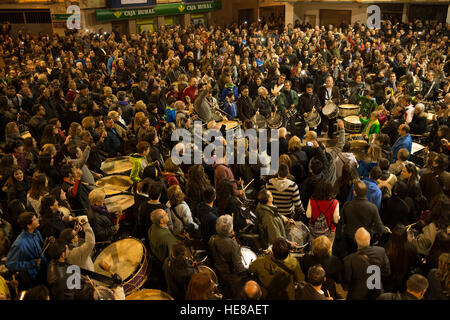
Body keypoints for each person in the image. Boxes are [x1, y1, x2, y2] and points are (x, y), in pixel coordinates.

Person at [343, 227, 391, 300]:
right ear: (369, 239)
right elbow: (387, 273)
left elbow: (346, 283)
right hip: (377, 294)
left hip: (357, 296)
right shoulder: (381, 251)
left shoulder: (349, 260)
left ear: (355, 240)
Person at [342, 181, 389, 253]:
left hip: (350, 239)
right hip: (365, 240)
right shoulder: (372, 207)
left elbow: (342, 221)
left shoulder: (347, 205)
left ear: (354, 192)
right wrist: (387, 231)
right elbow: (379, 226)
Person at [208, 215, 247, 299]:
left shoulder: (212, 239)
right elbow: (238, 267)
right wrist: (246, 272)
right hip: (231, 277)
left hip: (219, 272)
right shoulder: (233, 245)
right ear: (230, 228)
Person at [6, 212, 47, 289]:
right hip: (33, 277)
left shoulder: (36, 233)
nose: (38, 220)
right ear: (29, 225)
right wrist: (31, 263)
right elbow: (10, 264)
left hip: (43, 269)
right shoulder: (20, 243)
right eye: (34, 219)